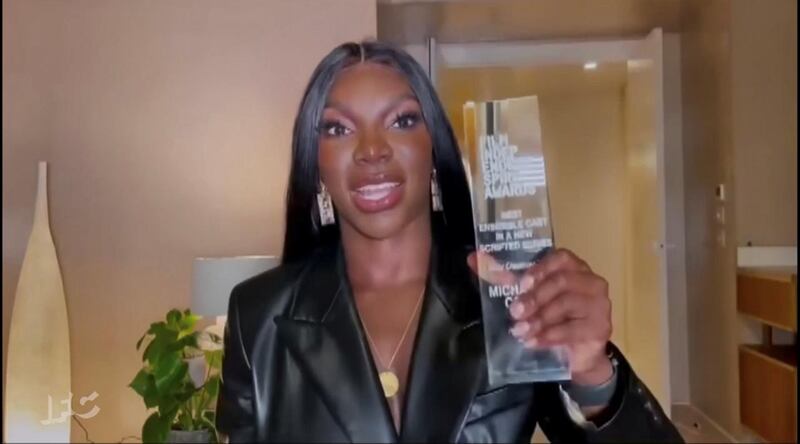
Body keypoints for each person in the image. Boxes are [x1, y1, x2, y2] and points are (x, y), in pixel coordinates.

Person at [215, 40, 683, 443]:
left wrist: (592, 377)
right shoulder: (259, 317)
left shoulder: (506, 299)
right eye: (338, 128)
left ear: (435, 152)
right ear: (315, 164)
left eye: (401, 121)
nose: (372, 149)